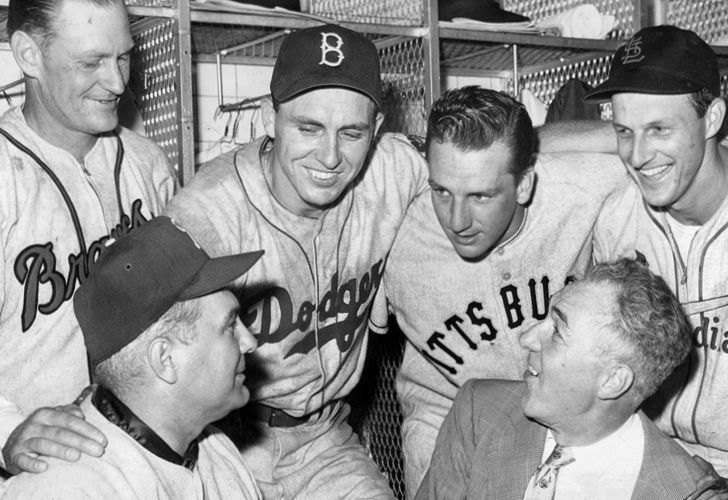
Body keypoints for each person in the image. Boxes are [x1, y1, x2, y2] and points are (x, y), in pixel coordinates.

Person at [164, 23, 428, 498]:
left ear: (377, 129)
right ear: (270, 117)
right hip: (221, 444)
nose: (330, 156)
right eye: (308, 128)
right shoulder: (207, 213)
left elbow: (499, 152)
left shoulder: (392, 167)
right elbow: (137, 353)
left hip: (324, 440)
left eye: (351, 132)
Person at [367, 85, 627, 497]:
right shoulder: (393, 222)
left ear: (524, 185)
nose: (457, 220)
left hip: (562, 416)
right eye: (442, 191)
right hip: (444, 413)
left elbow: (664, 147)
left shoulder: (579, 186)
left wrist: (545, 138)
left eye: (481, 196)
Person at [0, 0, 177, 477]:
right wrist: (6, 431)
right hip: (33, 474)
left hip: (145, 461)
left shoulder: (148, 164)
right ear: (29, 54)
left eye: (124, 57)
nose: (117, 82)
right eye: (91, 61)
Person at [0, 216, 263, 499]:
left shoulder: (219, 452)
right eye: (230, 326)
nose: (250, 342)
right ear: (165, 359)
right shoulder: (67, 490)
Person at [417, 258, 716, 500]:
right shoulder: (479, 413)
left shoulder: (683, 492)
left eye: (557, 331)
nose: (527, 338)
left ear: (613, 381)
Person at [581, 25, 728, 476]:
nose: (638, 155)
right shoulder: (618, 218)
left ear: (713, 119)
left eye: (659, 129)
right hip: (648, 459)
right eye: (624, 131)